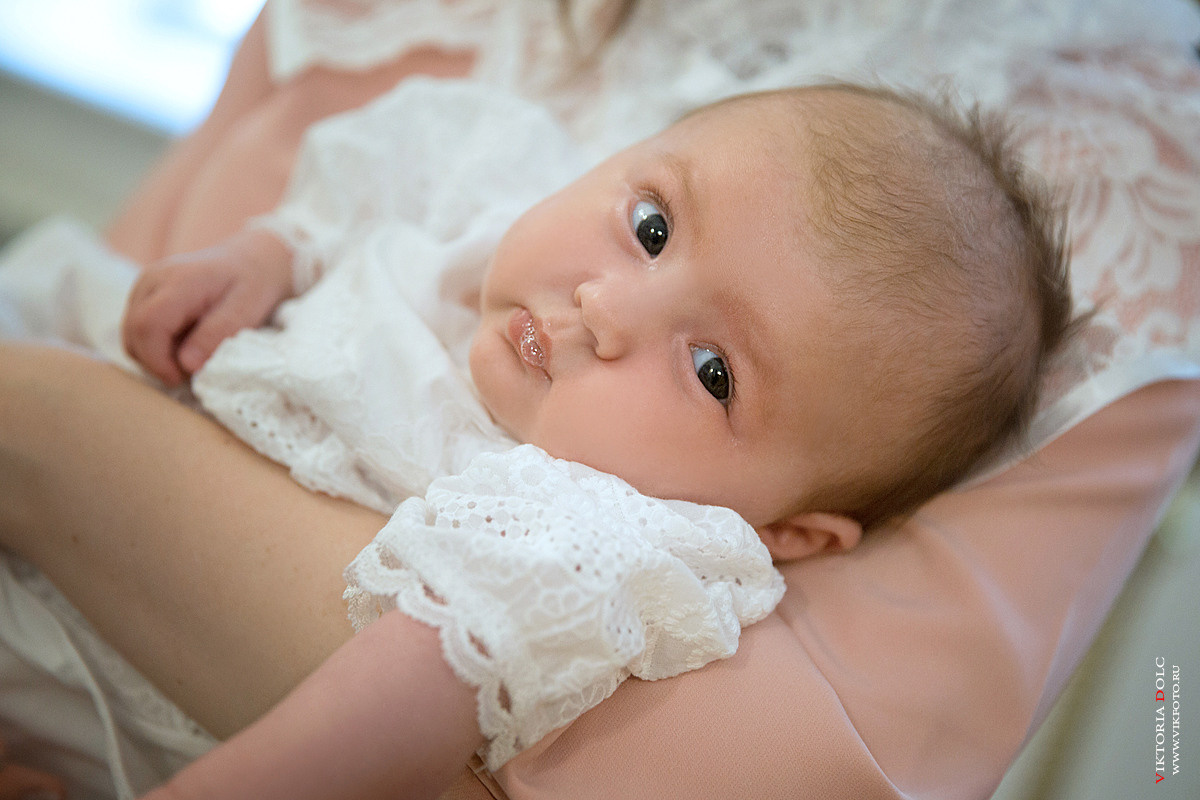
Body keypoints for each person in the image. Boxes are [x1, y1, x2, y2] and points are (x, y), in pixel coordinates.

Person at [1, 1, 1198, 799]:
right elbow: (366, 182)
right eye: (652, 225)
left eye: (715, 369)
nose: (610, 305)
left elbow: (365, 726)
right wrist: (264, 255)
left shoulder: (595, 534)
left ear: (784, 530)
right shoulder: (484, 185)